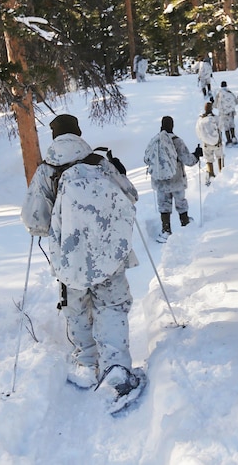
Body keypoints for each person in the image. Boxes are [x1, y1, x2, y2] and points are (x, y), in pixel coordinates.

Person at [20, 114, 144, 409]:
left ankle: (86, 366)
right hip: (110, 252)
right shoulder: (99, 163)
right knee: (111, 307)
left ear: (54, 138)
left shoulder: (47, 171)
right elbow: (130, 196)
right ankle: (118, 370)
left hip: (70, 257)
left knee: (76, 308)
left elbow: (34, 221)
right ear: (78, 133)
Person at [143, 115, 202, 242]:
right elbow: (188, 160)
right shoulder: (177, 141)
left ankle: (166, 231)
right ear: (172, 125)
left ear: (161, 125)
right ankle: (185, 224)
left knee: (163, 205)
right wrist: (197, 154)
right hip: (176, 180)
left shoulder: (154, 141)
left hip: (159, 180)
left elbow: (146, 159)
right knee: (181, 202)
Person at [195, 100, 224, 185]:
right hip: (217, 143)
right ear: (211, 109)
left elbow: (198, 131)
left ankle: (211, 174)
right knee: (220, 157)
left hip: (206, 144)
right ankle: (222, 173)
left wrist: (203, 138)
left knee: (209, 160)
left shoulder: (200, 119)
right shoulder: (216, 118)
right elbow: (221, 127)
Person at [213, 80, 238, 146]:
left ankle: (229, 140)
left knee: (226, 126)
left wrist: (212, 101)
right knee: (231, 125)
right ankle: (234, 138)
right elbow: (236, 102)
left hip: (223, 114)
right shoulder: (230, 93)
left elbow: (215, 105)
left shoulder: (219, 94)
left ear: (221, 86)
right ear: (226, 85)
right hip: (231, 113)